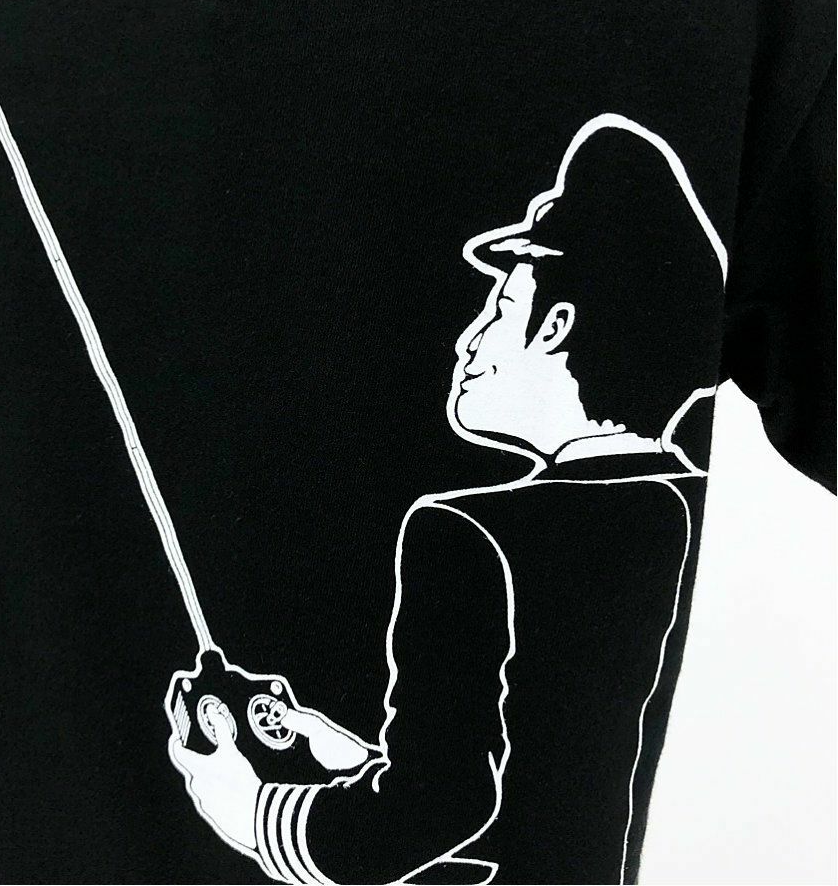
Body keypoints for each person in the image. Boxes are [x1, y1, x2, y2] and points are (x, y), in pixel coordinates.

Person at [167, 115, 728, 885]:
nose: (468, 340)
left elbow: (435, 807)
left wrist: (253, 810)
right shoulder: (707, 513)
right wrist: (348, 759)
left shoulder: (472, 533)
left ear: (556, 326)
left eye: (497, 310)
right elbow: (563, 792)